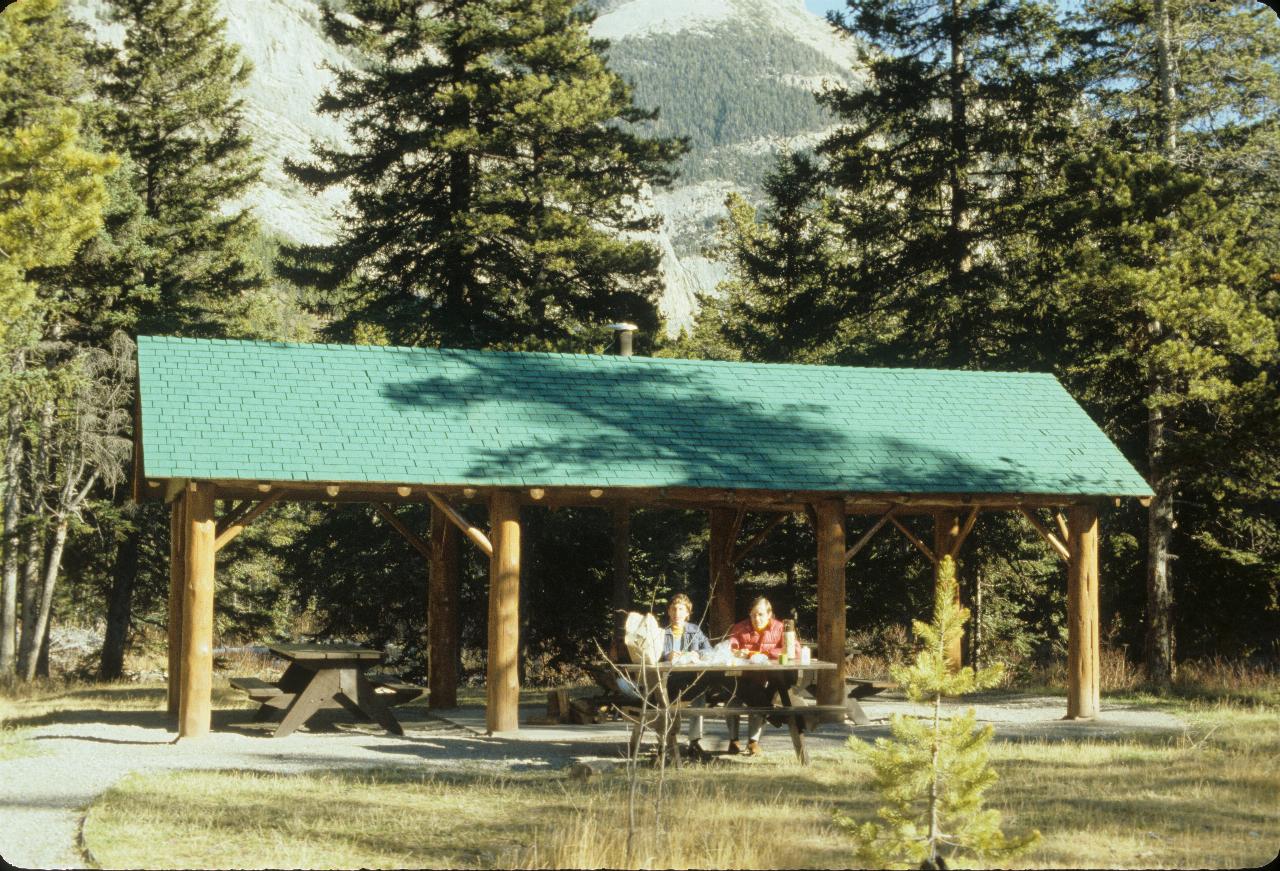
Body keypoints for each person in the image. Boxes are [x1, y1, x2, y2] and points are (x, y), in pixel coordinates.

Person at [725, 596, 786, 756]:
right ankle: (733, 741)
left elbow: (794, 650)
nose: (756, 618)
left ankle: (753, 742)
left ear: (769, 614)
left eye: (760, 614)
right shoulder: (739, 627)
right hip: (742, 678)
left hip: (768, 679)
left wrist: (765, 654)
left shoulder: (780, 628)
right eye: (753, 615)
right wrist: (737, 652)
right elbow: (729, 648)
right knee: (733, 701)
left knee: (760, 697)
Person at [662, 593, 712, 758]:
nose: (677, 613)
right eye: (674, 609)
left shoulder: (694, 630)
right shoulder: (662, 633)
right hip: (668, 680)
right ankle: (669, 741)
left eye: (681, 609)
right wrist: (667, 655)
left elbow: (709, 650)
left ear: (687, 613)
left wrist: (697, 654)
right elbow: (653, 654)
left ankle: (694, 741)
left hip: (690, 678)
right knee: (665, 699)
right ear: (669, 611)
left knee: (700, 693)